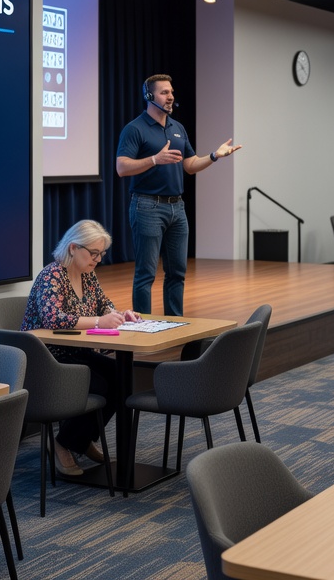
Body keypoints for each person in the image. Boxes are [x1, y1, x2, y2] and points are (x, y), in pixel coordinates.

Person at [21, 219, 141, 475]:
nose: (98, 259)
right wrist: (99, 321)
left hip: (77, 351)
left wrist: (120, 315)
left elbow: (103, 304)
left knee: (121, 377)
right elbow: (53, 318)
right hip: (48, 357)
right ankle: (62, 444)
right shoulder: (52, 275)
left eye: (102, 254)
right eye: (94, 253)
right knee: (98, 383)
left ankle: (80, 440)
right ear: (73, 248)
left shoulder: (88, 274)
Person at [115, 74, 240, 315]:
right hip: (147, 206)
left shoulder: (177, 128)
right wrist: (154, 159)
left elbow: (190, 165)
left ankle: (174, 324)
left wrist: (215, 156)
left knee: (177, 273)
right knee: (146, 273)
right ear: (149, 96)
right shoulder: (135, 129)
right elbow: (121, 168)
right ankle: (143, 327)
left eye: (171, 92)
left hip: (177, 208)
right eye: (164, 92)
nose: (170, 96)